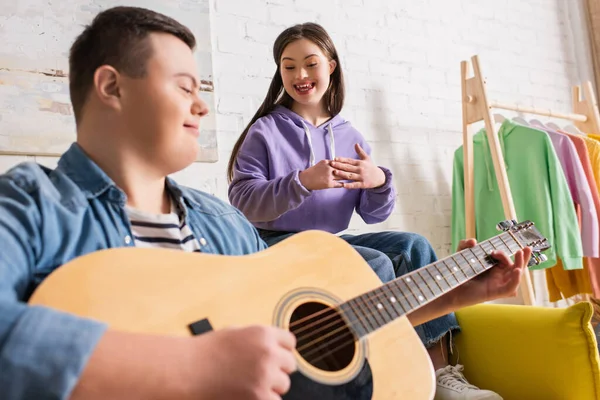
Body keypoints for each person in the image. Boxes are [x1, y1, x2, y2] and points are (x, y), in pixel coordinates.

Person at [0, 7, 530, 400]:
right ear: (112, 87)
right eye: (185, 86)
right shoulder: (33, 203)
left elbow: (313, 331)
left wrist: (453, 293)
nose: (202, 105)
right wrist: (190, 364)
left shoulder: (222, 224)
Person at [227, 22, 511, 400]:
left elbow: (374, 215)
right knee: (373, 262)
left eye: (310, 63)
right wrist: (302, 181)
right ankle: (384, 377)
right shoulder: (265, 131)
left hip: (329, 241)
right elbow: (243, 200)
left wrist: (378, 181)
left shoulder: (350, 135)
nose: (300, 75)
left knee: (414, 246)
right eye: (288, 66)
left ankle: (440, 374)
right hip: (276, 243)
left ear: (331, 66)